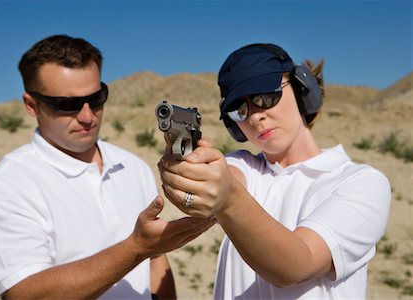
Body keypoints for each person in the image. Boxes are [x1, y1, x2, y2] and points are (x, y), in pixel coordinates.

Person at [0, 34, 215, 299]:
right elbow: (27, 294)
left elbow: (156, 263)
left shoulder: (132, 166)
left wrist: (148, 250)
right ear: (32, 105)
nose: (87, 116)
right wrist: (136, 247)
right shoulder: (5, 186)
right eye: (67, 105)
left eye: (97, 97)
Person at [158, 43, 391, 299]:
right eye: (240, 110)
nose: (255, 116)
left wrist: (227, 197)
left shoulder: (360, 182)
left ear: (303, 90)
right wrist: (190, 172)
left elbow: (296, 265)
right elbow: (221, 179)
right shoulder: (244, 166)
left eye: (265, 97)